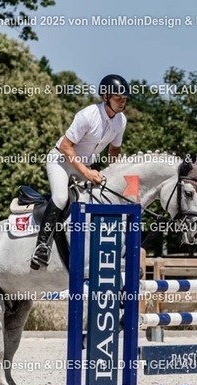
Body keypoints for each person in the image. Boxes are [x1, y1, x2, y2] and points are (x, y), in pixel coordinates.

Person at [31, 74, 129, 269]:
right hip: (61, 161)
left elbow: (114, 150)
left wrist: (114, 174)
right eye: (118, 98)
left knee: (105, 196)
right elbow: (66, 146)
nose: (122, 102)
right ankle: (41, 246)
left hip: (83, 167)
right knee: (60, 198)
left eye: (125, 98)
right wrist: (87, 172)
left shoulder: (121, 121)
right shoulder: (88, 115)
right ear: (105, 97)